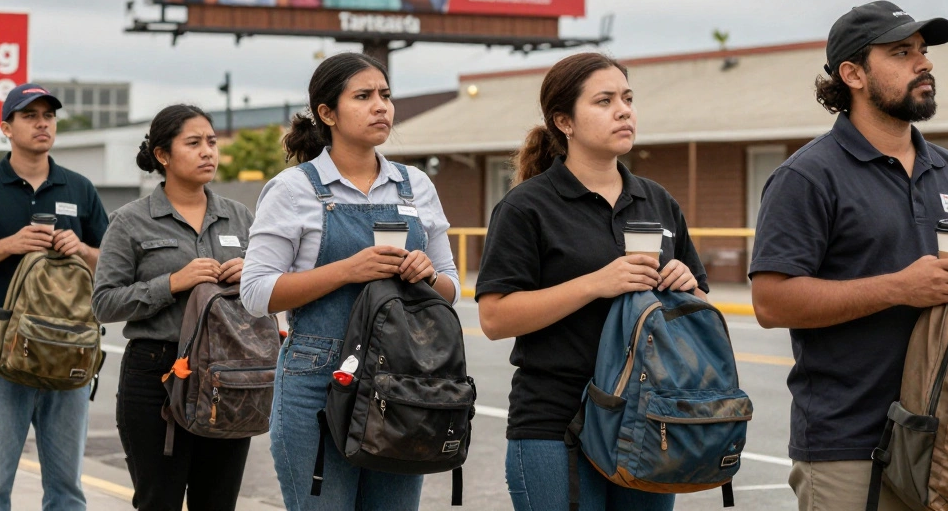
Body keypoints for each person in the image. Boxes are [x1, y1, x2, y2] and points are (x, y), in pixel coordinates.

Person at [749, 1, 948, 511]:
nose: (924, 63)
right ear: (853, 75)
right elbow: (771, 302)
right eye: (900, 52)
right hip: (852, 443)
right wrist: (900, 288)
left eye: (923, 51)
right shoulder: (808, 177)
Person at [475, 52, 707, 511]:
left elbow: (697, 306)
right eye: (604, 101)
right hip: (556, 422)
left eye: (627, 98)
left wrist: (686, 286)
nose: (623, 110)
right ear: (565, 121)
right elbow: (494, 317)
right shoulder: (527, 207)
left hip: (648, 419)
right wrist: (595, 283)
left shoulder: (657, 200)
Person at [240, 52, 460, 510]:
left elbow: (452, 288)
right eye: (363, 96)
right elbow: (256, 292)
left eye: (384, 95)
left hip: (405, 382)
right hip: (316, 381)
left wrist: (427, 276)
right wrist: (348, 269)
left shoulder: (415, 185)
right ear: (327, 113)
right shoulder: (292, 189)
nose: (380, 106)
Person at [0, 83, 107, 510]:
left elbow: (113, 267)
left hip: (68, 356)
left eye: (48, 115)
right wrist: (9, 245)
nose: (42, 123)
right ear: (6, 129)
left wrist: (82, 250)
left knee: (67, 491)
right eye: (29, 116)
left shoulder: (80, 188)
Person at [92, 105, 255, 510]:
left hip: (228, 377)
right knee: (158, 501)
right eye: (194, 143)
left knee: (217, 503)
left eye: (212, 143)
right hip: (156, 376)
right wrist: (172, 283)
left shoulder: (240, 218)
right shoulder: (130, 221)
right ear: (163, 155)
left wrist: (252, 276)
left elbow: (272, 294)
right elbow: (104, 303)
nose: (208, 152)